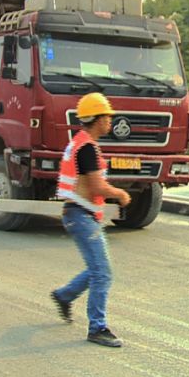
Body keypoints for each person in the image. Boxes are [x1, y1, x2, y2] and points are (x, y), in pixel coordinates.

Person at [50, 92, 132, 348]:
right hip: (80, 214)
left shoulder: (82, 142)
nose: (111, 120)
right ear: (97, 118)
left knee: (97, 268)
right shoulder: (86, 148)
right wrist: (120, 194)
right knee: (102, 273)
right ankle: (97, 328)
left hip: (80, 213)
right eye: (107, 116)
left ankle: (64, 295)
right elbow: (97, 187)